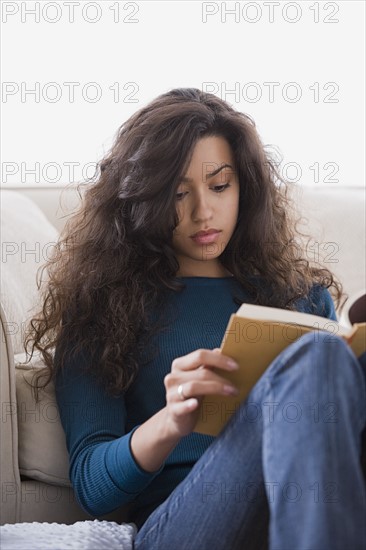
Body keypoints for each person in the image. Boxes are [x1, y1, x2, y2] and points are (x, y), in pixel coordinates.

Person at [26, 88, 366, 550]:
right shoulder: (102, 309)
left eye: (220, 186)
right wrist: (170, 421)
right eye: (178, 194)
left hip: (311, 511)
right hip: (188, 524)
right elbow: (92, 487)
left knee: (328, 358)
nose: (202, 212)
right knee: (319, 355)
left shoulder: (304, 298)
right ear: (141, 199)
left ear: (245, 187)